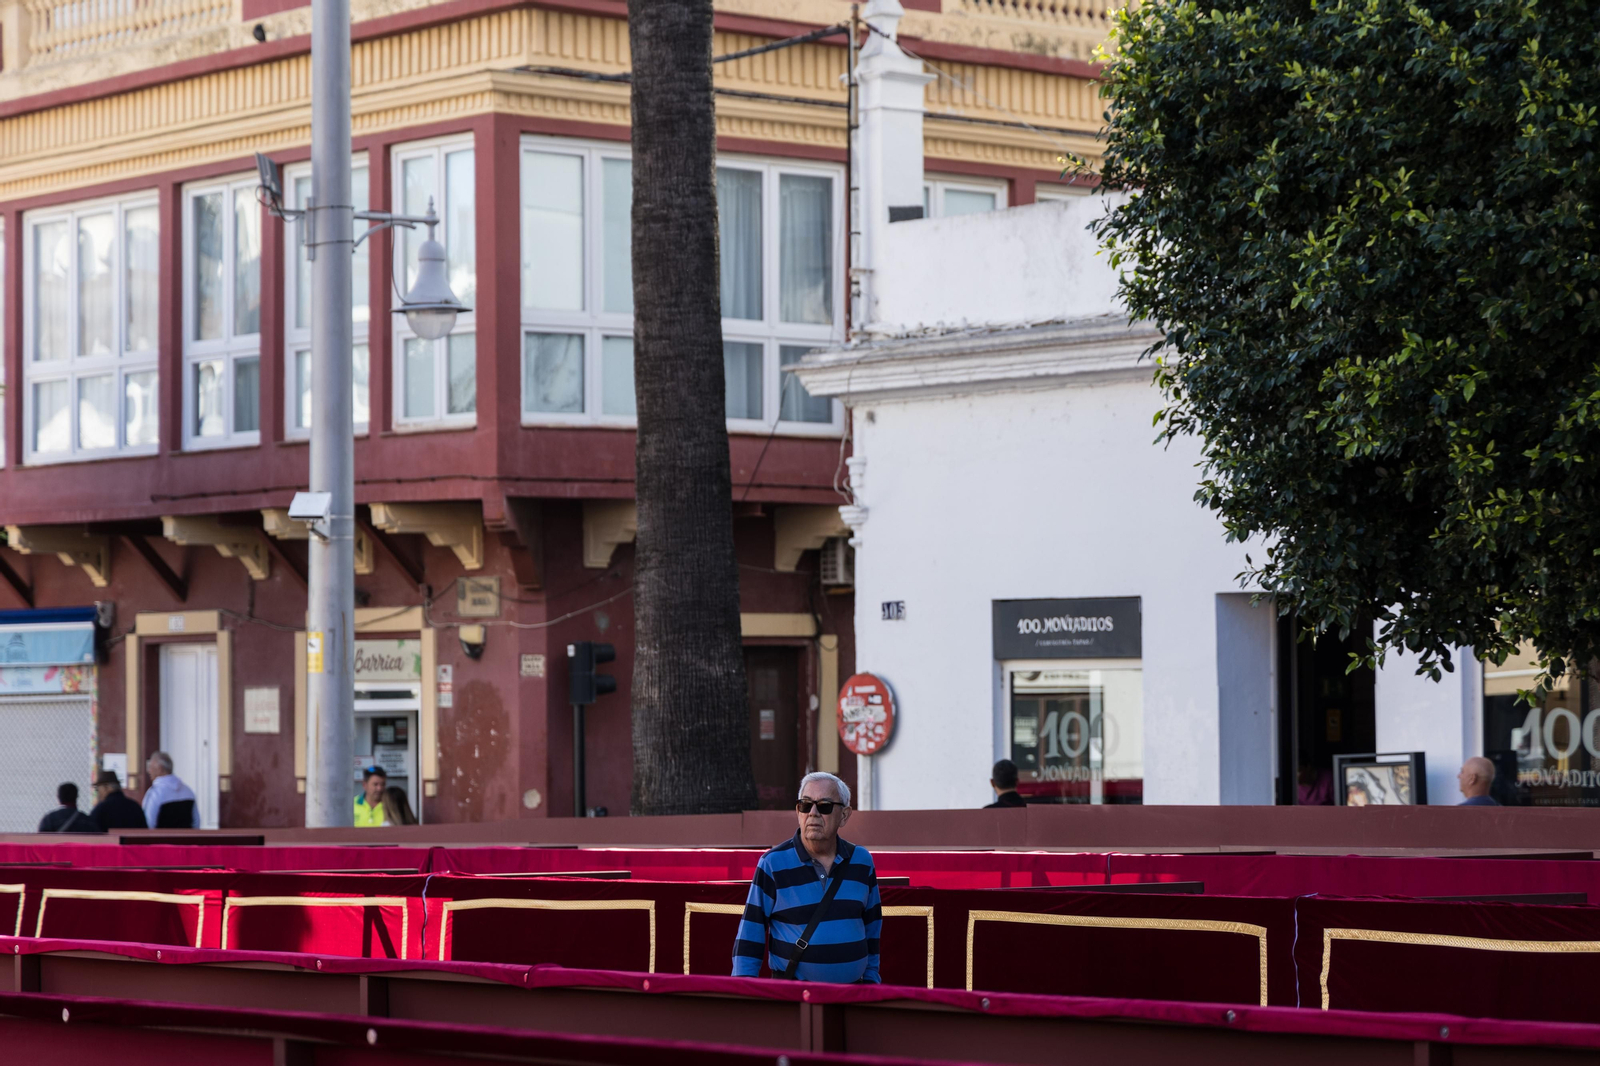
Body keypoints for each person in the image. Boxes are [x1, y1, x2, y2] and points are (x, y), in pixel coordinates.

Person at [733, 771, 881, 984]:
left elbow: (872, 929)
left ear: (845, 815)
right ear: (798, 811)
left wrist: (871, 980)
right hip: (793, 998)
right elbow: (750, 933)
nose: (813, 813)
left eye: (824, 806)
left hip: (853, 995)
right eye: (805, 805)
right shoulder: (772, 864)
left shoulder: (862, 861)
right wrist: (743, 990)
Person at [141, 751, 200, 829]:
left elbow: (149, 824)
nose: (149, 771)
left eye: (151, 767)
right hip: (185, 840)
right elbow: (196, 822)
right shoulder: (187, 791)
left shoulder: (155, 793)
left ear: (160, 769)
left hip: (162, 840)